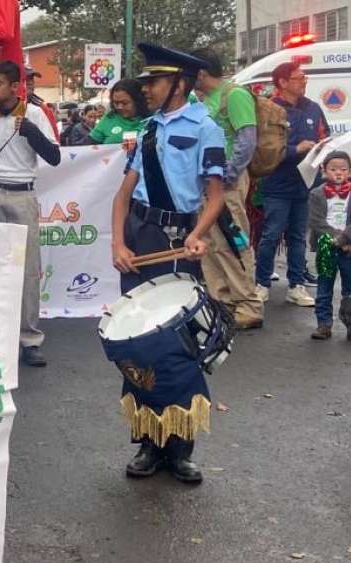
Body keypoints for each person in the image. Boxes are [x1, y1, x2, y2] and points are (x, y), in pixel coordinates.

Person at [110, 43, 226, 485]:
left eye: (154, 82)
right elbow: (123, 195)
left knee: (178, 345)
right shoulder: (147, 131)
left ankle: (180, 446)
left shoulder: (205, 129)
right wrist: (117, 243)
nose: (147, 90)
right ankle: (147, 442)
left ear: (180, 83)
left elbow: (214, 197)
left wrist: (197, 236)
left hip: (179, 238)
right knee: (137, 342)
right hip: (141, 236)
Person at [0, 59, 61, 367]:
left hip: (21, 194)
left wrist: (32, 133)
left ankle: (29, 339)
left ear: (15, 87)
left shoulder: (36, 114)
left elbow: (54, 157)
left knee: (27, 270)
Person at [192, 48, 265, 330]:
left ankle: (248, 303)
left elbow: (247, 139)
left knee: (233, 240)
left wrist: (230, 175)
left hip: (227, 182)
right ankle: (222, 301)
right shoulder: (207, 99)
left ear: (201, 72)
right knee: (210, 244)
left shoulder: (234, 95)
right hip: (211, 182)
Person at [255, 62, 328, 307]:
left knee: (298, 236)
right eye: (299, 78)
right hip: (277, 182)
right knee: (271, 235)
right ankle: (261, 283)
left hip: (306, 183)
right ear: (282, 82)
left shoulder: (313, 108)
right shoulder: (269, 109)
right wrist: (295, 149)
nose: (304, 81)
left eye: (304, 77)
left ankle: (296, 285)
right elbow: (263, 149)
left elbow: (324, 136)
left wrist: (322, 148)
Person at [307, 151, 351, 342]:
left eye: (343, 169)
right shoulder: (316, 194)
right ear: (324, 172)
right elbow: (316, 221)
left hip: (349, 248)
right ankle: (324, 324)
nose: (338, 173)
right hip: (327, 247)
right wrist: (335, 239)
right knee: (324, 287)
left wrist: (345, 240)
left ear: (350, 171)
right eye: (333, 169)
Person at [89, 79, 148, 145]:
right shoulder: (109, 118)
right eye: (116, 103)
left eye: (125, 103)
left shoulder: (152, 120)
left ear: (138, 101)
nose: (119, 107)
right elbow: (90, 147)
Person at [24, 67, 60, 142]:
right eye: (25, 79)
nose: (29, 82)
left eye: (31, 79)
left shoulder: (43, 108)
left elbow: (54, 140)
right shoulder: (2, 107)